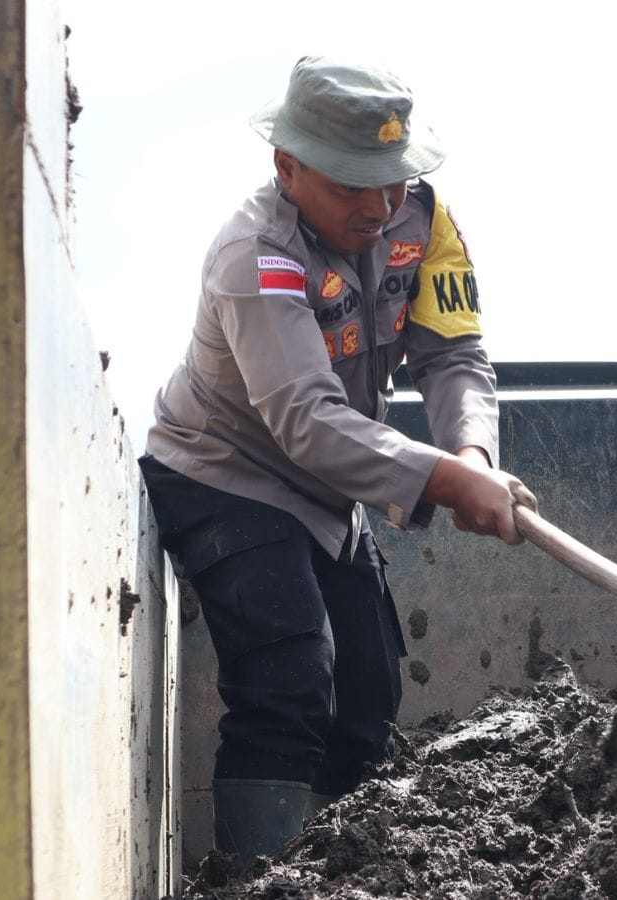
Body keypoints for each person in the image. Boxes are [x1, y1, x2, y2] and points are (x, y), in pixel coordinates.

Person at [138, 56, 536, 869]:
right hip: (224, 472)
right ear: (286, 166)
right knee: (289, 675)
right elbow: (303, 420)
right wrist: (447, 481)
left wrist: (472, 450)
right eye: (352, 184)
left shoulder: (424, 224)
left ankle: (340, 875)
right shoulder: (254, 255)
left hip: (331, 488)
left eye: (390, 181)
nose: (379, 205)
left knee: (367, 695)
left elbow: (455, 355)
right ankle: (260, 880)